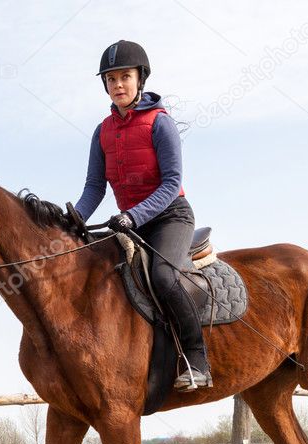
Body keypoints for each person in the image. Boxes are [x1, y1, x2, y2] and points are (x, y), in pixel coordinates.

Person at [74, 39, 211, 391]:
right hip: (132, 224)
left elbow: (171, 184)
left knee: (164, 277)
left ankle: (197, 359)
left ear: (140, 79)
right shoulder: (102, 132)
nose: (118, 84)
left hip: (170, 217)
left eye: (125, 77)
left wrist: (133, 216)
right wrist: (74, 217)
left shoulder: (160, 123)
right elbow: (94, 187)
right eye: (111, 79)